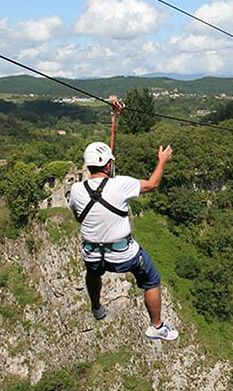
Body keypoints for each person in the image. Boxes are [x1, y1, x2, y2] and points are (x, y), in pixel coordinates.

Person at [68, 140, 178, 341]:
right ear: (109, 165)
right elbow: (152, 184)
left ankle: (96, 306)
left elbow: (78, 216)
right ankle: (157, 326)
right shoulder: (120, 184)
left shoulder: (76, 190)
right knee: (152, 278)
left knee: (92, 272)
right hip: (123, 255)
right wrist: (162, 161)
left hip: (92, 255)